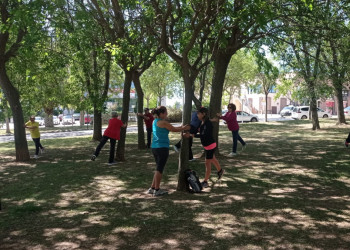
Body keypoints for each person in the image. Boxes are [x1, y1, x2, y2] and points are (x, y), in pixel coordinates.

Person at [147, 106, 190, 196]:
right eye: (166, 112)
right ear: (161, 113)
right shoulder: (163, 122)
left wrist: (182, 127)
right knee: (159, 169)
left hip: (155, 147)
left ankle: (152, 188)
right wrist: (184, 128)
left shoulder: (155, 121)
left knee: (158, 168)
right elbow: (173, 129)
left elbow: (172, 127)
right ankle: (157, 190)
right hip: (162, 148)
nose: (167, 114)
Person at [186, 107, 224, 188]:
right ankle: (220, 171)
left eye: (198, 113)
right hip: (207, 145)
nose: (197, 115)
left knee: (207, 163)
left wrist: (193, 135)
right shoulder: (202, 122)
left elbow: (204, 135)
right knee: (213, 159)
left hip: (210, 145)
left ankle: (205, 181)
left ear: (203, 114)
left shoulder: (207, 124)